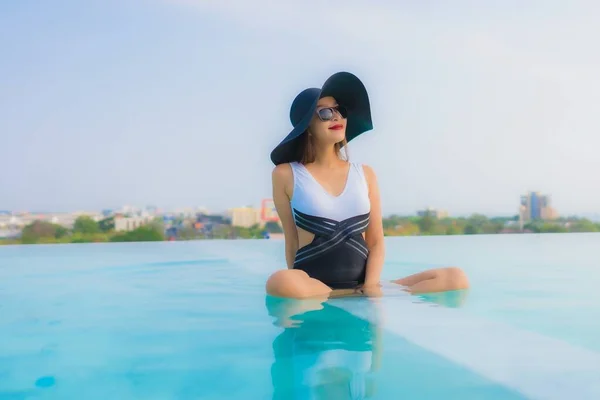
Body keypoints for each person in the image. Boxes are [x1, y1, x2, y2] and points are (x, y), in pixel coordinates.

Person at [266, 71, 469, 299]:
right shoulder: (286, 174)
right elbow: (292, 240)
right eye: (325, 113)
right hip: (316, 286)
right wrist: (296, 285)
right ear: (308, 128)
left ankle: (352, 294)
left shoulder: (365, 174)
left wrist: (371, 287)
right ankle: (340, 295)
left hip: (364, 286)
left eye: (340, 110)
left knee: (456, 277)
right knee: (280, 281)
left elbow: (375, 241)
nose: (336, 117)